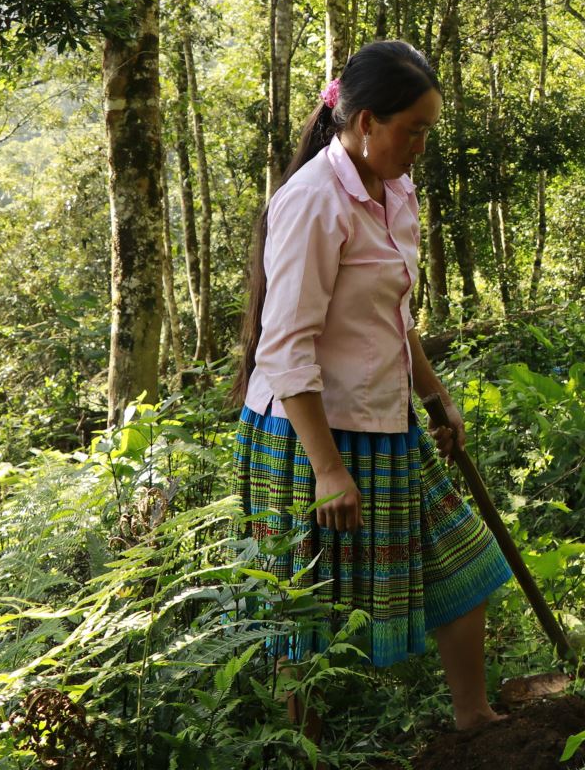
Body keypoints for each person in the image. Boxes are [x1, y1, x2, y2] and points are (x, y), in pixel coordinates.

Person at [229, 40, 513, 745]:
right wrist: (328, 468)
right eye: (410, 129)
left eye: (427, 130)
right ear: (362, 123)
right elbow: (285, 346)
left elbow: (393, 313)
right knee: (308, 616)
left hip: (386, 424)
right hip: (309, 435)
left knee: (465, 560)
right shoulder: (312, 203)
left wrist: (436, 394)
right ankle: (306, 754)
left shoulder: (396, 190)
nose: (420, 145)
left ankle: (474, 720)